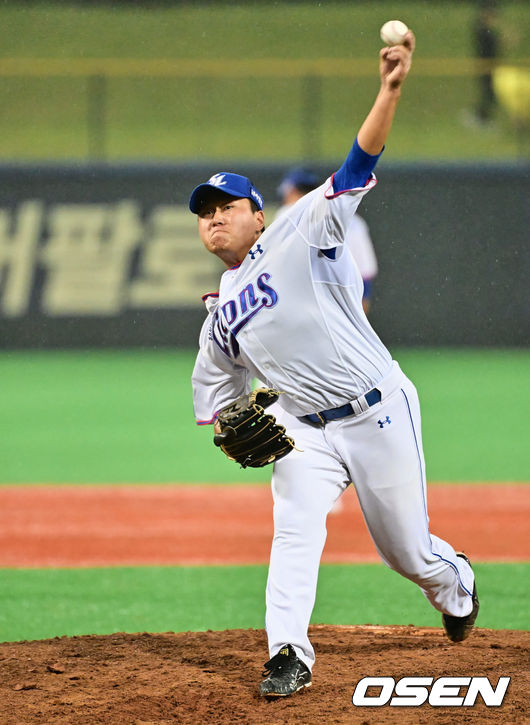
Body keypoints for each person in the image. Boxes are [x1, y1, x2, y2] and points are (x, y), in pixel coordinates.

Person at [189, 29, 479, 699]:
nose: (213, 220)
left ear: (257, 216)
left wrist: (390, 90)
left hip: (376, 406)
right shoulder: (219, 316)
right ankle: (288, 651)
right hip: (303, 431)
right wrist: (228, 430)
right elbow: (222, 400)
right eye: (203, 214)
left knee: (406, 552)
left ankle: (453, 582)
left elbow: (355, 166)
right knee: (293, 530)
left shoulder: (298, 229)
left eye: (225, 207)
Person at [276, 167, 378, 314]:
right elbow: (364, 277)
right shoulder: (355, 222)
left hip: (299, 303)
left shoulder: (285, 214)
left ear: (291, 191)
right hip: (341, 304)